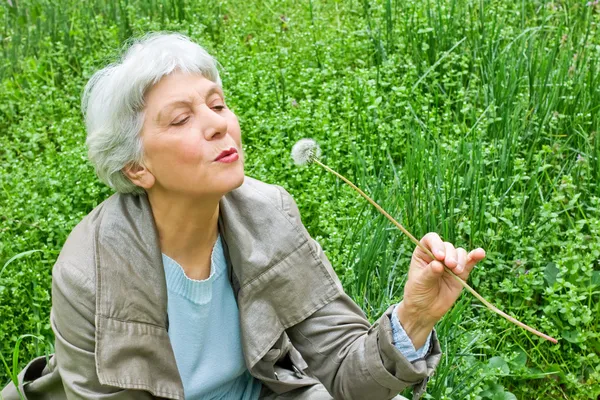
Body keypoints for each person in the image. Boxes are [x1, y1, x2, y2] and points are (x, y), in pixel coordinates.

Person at [1, 33, 485, 400]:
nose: (217, 124)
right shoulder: (89, 275)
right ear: (137, 166)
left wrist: (414, 318)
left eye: (217, 104)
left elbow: (341, 374)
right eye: (182, 118)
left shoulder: (269, 214)